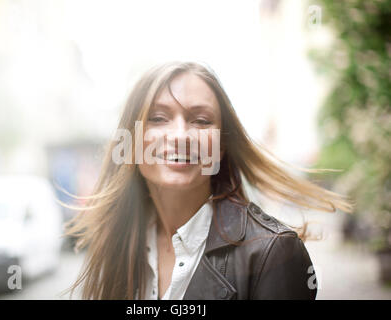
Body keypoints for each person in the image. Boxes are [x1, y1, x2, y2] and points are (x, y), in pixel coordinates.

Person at [62, 61, 353, 300]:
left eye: (201, 121)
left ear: (221, 146)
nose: (180, 136)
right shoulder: (117, 239)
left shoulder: (272, 252)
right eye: (158, 118)